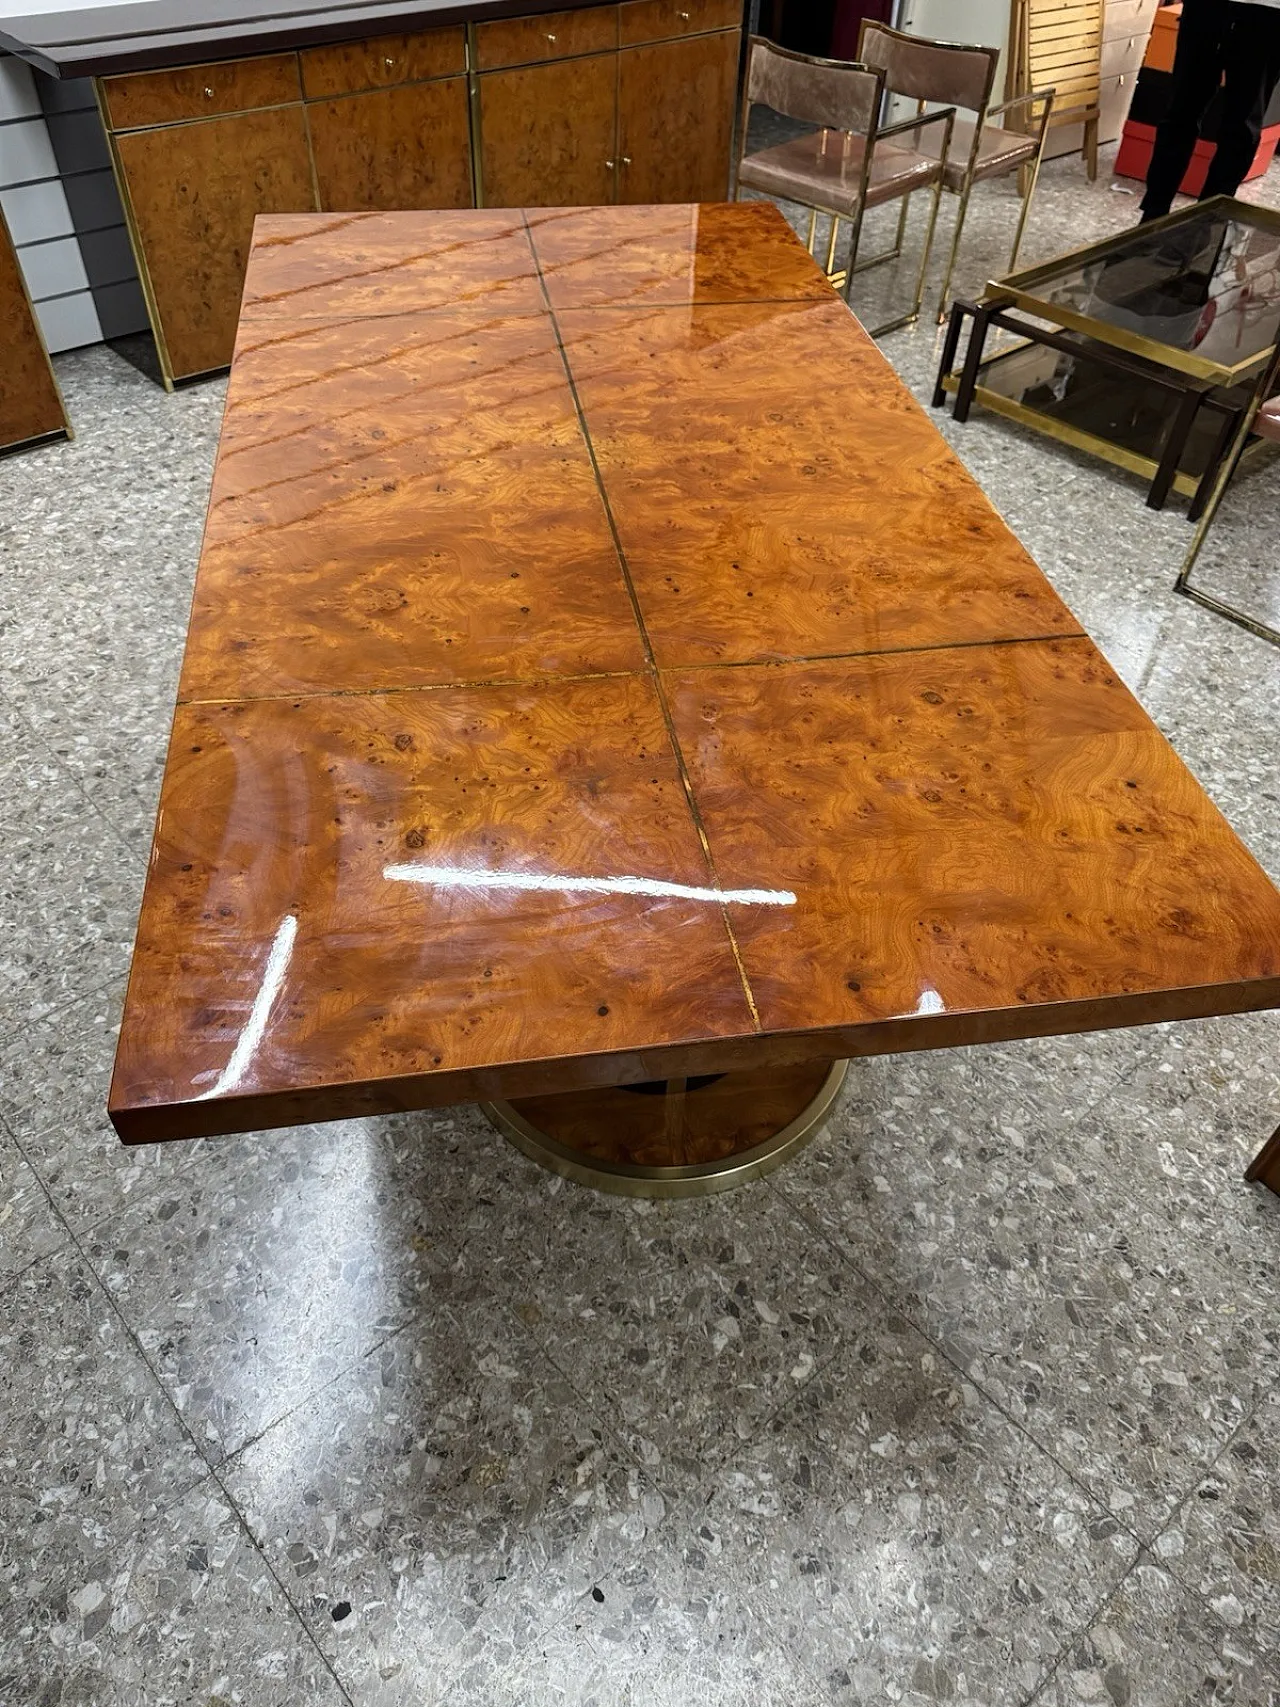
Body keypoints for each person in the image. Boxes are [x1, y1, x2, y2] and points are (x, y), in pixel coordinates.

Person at [1141, 0, 1280, 221]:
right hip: (1206, 8)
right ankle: (1151, 218)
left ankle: (1207, 225)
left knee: (1241, 128)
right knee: (1180, 113)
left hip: (1267, 13)